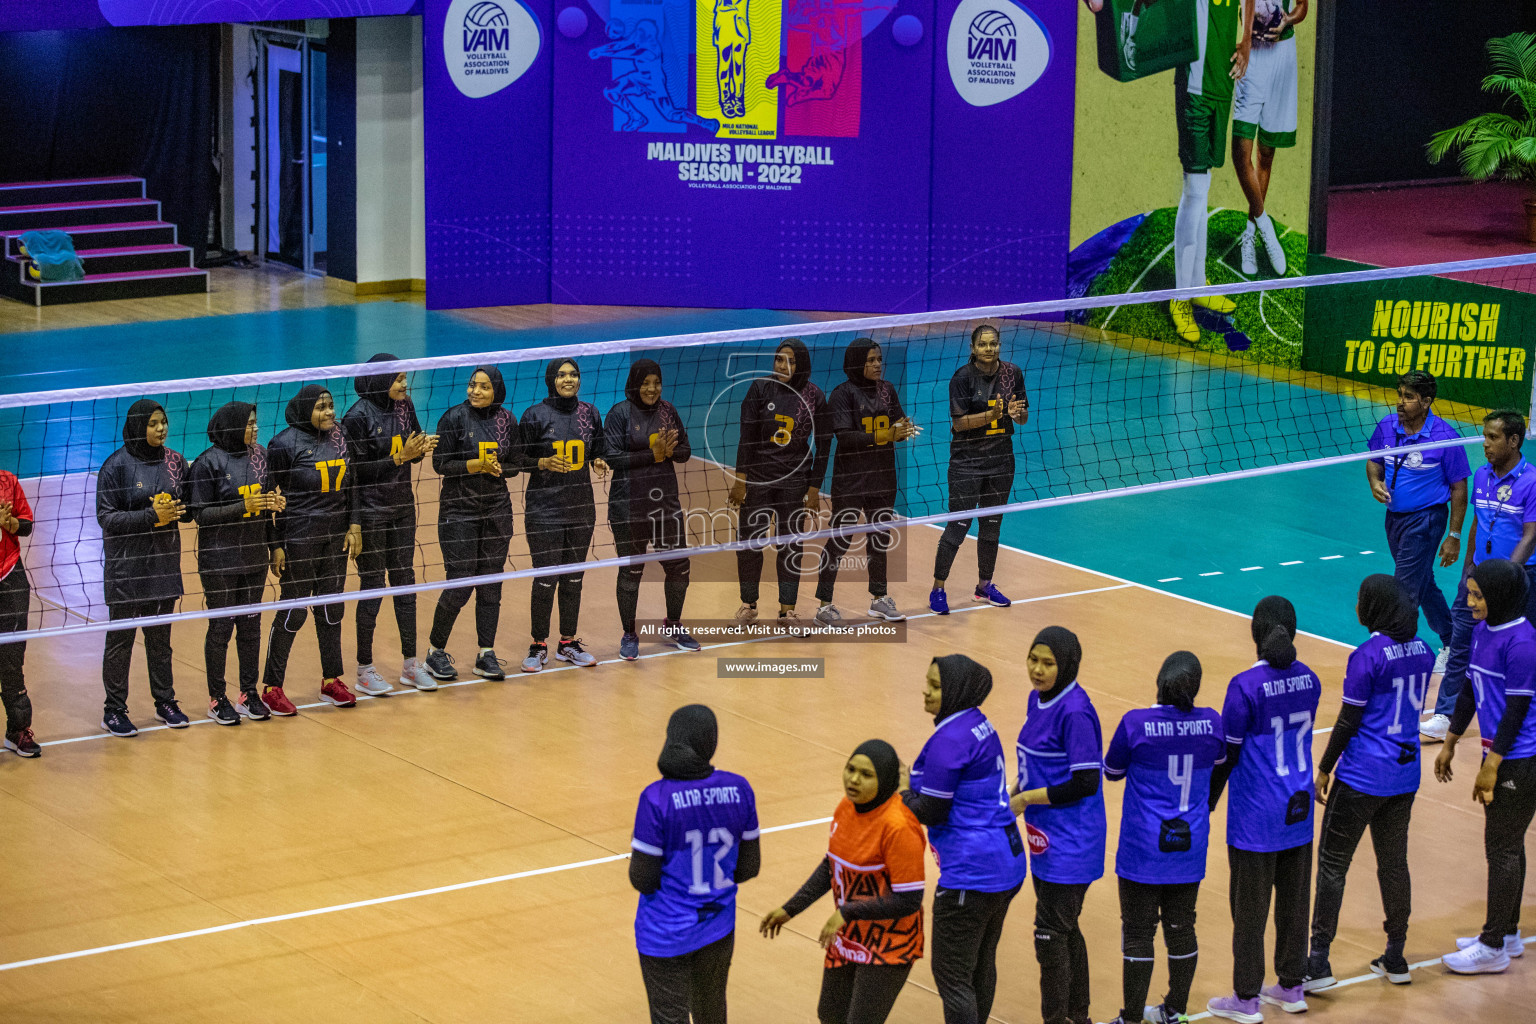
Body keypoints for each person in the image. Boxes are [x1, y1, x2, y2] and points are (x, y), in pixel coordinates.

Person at [1081, 0, 1248, 342]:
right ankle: (1180, 297)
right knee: (1196, 188)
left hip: (1222, 85)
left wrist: (1245, 42)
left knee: (1205, 186)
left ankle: (1198, 283)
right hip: (1195, 90)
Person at [1305, 575, 1433, 991]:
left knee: (1332, 864)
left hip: (1362, 776)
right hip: (1404, 776)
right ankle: (1396, 954)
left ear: (1375, 608)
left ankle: (1318, 961)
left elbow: (1348, 719)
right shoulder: (1425, 652)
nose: (1356, 606)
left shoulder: (1367, 655)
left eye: (1361, 600)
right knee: (1394, 864)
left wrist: (1324, 767)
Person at [1206, 596, 1321, 1022]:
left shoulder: (1244, 687)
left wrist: (1209, 801)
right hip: (1299, 810)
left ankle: (1246, 997)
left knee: (1249, 910)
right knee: (1294, 904)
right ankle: (1292, 986)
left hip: (1257, 815)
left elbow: (1227, 757)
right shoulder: (1310, 679)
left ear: (1256, 632)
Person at [761, 740, 925, 1024]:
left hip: (890, 944)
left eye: (866, 774)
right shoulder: (845, 808)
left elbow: (909, 900)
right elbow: (831, 866)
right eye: (850, 769)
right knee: (830, 1015)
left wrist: (848, 911)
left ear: (885, 780)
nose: (853, 779)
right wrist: (791, 909)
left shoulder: (899, 827)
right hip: (849, 936)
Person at [1101, 652, 1226, 1024]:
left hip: (1143, 847)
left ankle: (1133, 1017)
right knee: (1182, 925)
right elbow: (1219, 761)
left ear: (1159, 682)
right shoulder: (1212, 724)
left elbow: (1111, 771)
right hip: (1190, 845)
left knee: (1139, 933)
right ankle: (1176, 1011)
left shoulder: (1136, 724)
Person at [902, 654, 1026, 1024]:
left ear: (956, 690)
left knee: (953, 976)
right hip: (1007, 862)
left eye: (936, 686)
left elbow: (932, 810)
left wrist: (900, 791)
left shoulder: (949, 740)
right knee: (980, 963)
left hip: (973, 872)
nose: (925, 692)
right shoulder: (979, 724)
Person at [1434, 557, 1536, 975]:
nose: (1470, 601)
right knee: (1509, 844)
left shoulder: (1523, 643)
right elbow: (1470, 691)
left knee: (1502, 847)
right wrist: (1450, 743)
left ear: (1501, 597)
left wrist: (1492, 764)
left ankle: (1493, 945)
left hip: (1521, 758)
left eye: (1478, 595)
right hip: (1501, 755)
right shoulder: (1481, 632)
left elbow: (1516, 710)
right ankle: (1508, 933)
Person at [630, 704, 761, 1024]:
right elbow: (749, 867)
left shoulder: (656, 798)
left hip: (665, 932)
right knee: (711, 1009)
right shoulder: (739, 788)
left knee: (669, 1017)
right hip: (717, 927)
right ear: (710, 743)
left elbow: (642, 879)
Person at [1009, 626, 1106, 1024]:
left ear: (1066, 665)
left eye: (1048, 663)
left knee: (1049, 933)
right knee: (1065, 927)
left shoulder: (1076, 712)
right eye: (1033, 659)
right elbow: (1037, 764)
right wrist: (1011, 793)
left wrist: (1027, 799)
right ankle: (1077, 1015)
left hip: (1073, 841)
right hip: (1046, 839)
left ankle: (1058, 1018)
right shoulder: (1038, 699)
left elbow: (1085, 782)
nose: (1038, 669)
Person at [1423, 409, 1536, 742]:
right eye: (1484, 436)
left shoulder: (1531, 481)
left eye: (1493, 437)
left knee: (1519, 652)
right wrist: (1468, 567)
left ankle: (1519, 718)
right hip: (1478, 579)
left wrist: (1508, 578)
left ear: (1514, 441)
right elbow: (1478, 521)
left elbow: (1531, 535)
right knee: (1460, 646)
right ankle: (1445, 714)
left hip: (1519, 581)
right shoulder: (1483, 474)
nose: (1485, 444)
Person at [261, 385, 362, 715]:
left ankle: (331, 680)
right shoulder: (282, 444)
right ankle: (272, 687)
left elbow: (354, 483)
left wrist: (354, 524)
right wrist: (275, 546)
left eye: (331, 406)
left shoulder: (341, 436)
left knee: (332, 609)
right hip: (298, 538)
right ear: (305, 410)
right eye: (321, 407)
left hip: (334, 537)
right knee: (294, 611)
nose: (329, 413)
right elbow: (268, 500)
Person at [342, 353, 437, 694]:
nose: (404, 384)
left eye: (404, 378)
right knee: (373, 586)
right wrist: (399, 457)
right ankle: (364, 669)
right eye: (398, 378)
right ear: (382, 380)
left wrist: (421, 447)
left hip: (401, 507)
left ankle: (411, 665)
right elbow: (352, 473)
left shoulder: (404, 406)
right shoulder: (356, 417)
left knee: (404, 582)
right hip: (370, 512)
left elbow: (411, 443)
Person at [96, 399, 192, 737]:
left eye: (163, 422)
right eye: (153, 423)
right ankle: (114, 710)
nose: (161, 428)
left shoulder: (176, 462)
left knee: (160, 639)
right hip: (126, 568)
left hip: (163, 563)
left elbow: (191, 508)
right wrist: (153, 516)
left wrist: (175, 508)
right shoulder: (116, 467)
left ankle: (165, 701)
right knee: (121, 639)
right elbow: (106, 517)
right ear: (139, 426)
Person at [1365, 371, 1468, 675]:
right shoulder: (1387, 425)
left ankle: (1396, 656)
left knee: (1404, 589)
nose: (1400, 402)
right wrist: (1375, 483)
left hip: (1426, 520)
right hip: (1394, 518)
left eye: (1408, 397)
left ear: (1426, 401)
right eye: (1399, 394)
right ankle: (1454, 643)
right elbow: (1374, 461)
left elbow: (1459, 489)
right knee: (1424, 584)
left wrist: (1454, 534)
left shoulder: (1445, 437)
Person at [188, 402, 284, 724]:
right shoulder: (207, 464)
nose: (256, 429)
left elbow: (266, 505)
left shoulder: (260, 457)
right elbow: (200, 515)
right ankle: (217, 698)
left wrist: (275, 543)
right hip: (220, 560)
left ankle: (248, 692)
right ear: (232, 426)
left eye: (256, 423)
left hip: (254, 556)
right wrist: (242, 506)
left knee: (251, 626)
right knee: (221, 627)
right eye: (250, 423)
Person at [813, 339, 919, 626]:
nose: (876, 365)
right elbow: (845, 437)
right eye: (870, 360)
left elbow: (898, 421)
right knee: (840, 540)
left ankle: (879, 599)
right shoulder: (842, 394)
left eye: (879, 359)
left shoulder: (887, 390)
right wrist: (884, 437)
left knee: (880, 538)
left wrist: (903, 428)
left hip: (883, 476)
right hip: (851, 478)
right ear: (857, 362)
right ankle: (824, 605)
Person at [424, 366, 518, 683]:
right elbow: (440, 464)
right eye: (472, 385)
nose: (475, 391)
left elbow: (515, 464)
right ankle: (435, 652)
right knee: (460, 582)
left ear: (497, 391)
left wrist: (499, 468)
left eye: (483, 387)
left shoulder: (507, 420)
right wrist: (474, 465)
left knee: (491, 583)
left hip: (496, 509)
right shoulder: (453, 418)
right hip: (458, 510)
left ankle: (485, 654)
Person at [729, 338, 831, 624]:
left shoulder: (814, 397)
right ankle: (748, 605)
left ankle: (787, 610)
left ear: (803, 365)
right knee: (750, 544)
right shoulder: (760, 388)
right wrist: (740, 481)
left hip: (794, 482)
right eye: (779, 359)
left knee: (791, 546)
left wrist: (813, 488)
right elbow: (746, 438)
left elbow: (824, 446)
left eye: (791, 361)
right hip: (758, 480)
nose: (783, 366)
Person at [605, 358, 700, 662]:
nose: (651, 388)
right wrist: (653, 454)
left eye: (656, 382)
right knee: (631, 572)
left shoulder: (668, 411)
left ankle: (673, 625)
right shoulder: (620, 413)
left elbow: (685, 451)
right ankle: (629, 634)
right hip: (628, 505)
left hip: (665, 506)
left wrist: (671, 452)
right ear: (635, 383)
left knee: (679, 567)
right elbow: (613, 458)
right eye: (645, 382)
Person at [930, 325, 1027, 615]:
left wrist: (1015, 414)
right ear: (973, 348)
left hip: (1001, 461)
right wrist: (991, 415)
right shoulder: (962, 378)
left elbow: (1022, 418)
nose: (989, 349)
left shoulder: (1013, 373)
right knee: (958, 526)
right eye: (983, 344)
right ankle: (938, 588)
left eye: (994, 343)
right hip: (967, 462)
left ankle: (984, 586)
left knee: (992, 526)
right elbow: (959, 424)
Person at [520, 358, 609, 673]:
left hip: (581, 509)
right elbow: (517, 458)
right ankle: (538, 645)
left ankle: (567, 643)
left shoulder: (590, 413)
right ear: (550, 379)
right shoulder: (535, 416)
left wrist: (598, 461)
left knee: (573, 578)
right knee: (546, 579)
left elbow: (599, 449)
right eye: (561, 374)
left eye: (573, 374)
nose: (568, 379)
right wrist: (543, 463)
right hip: (544, 510)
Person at [1232, 0, 1306, 277]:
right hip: (1253, 53)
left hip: (1282, 56)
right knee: (1241, 151)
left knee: (1266, 154)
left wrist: (1287, 21)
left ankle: (1250, 233)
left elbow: (1302, 6)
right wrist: (1245, 40)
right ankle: (1265, 227)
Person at [0, 465, 38, 756]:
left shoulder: (7, 479)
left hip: (9, 573)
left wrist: (10, 522)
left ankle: (17, 730)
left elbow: (26, 525)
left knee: (12, 655)